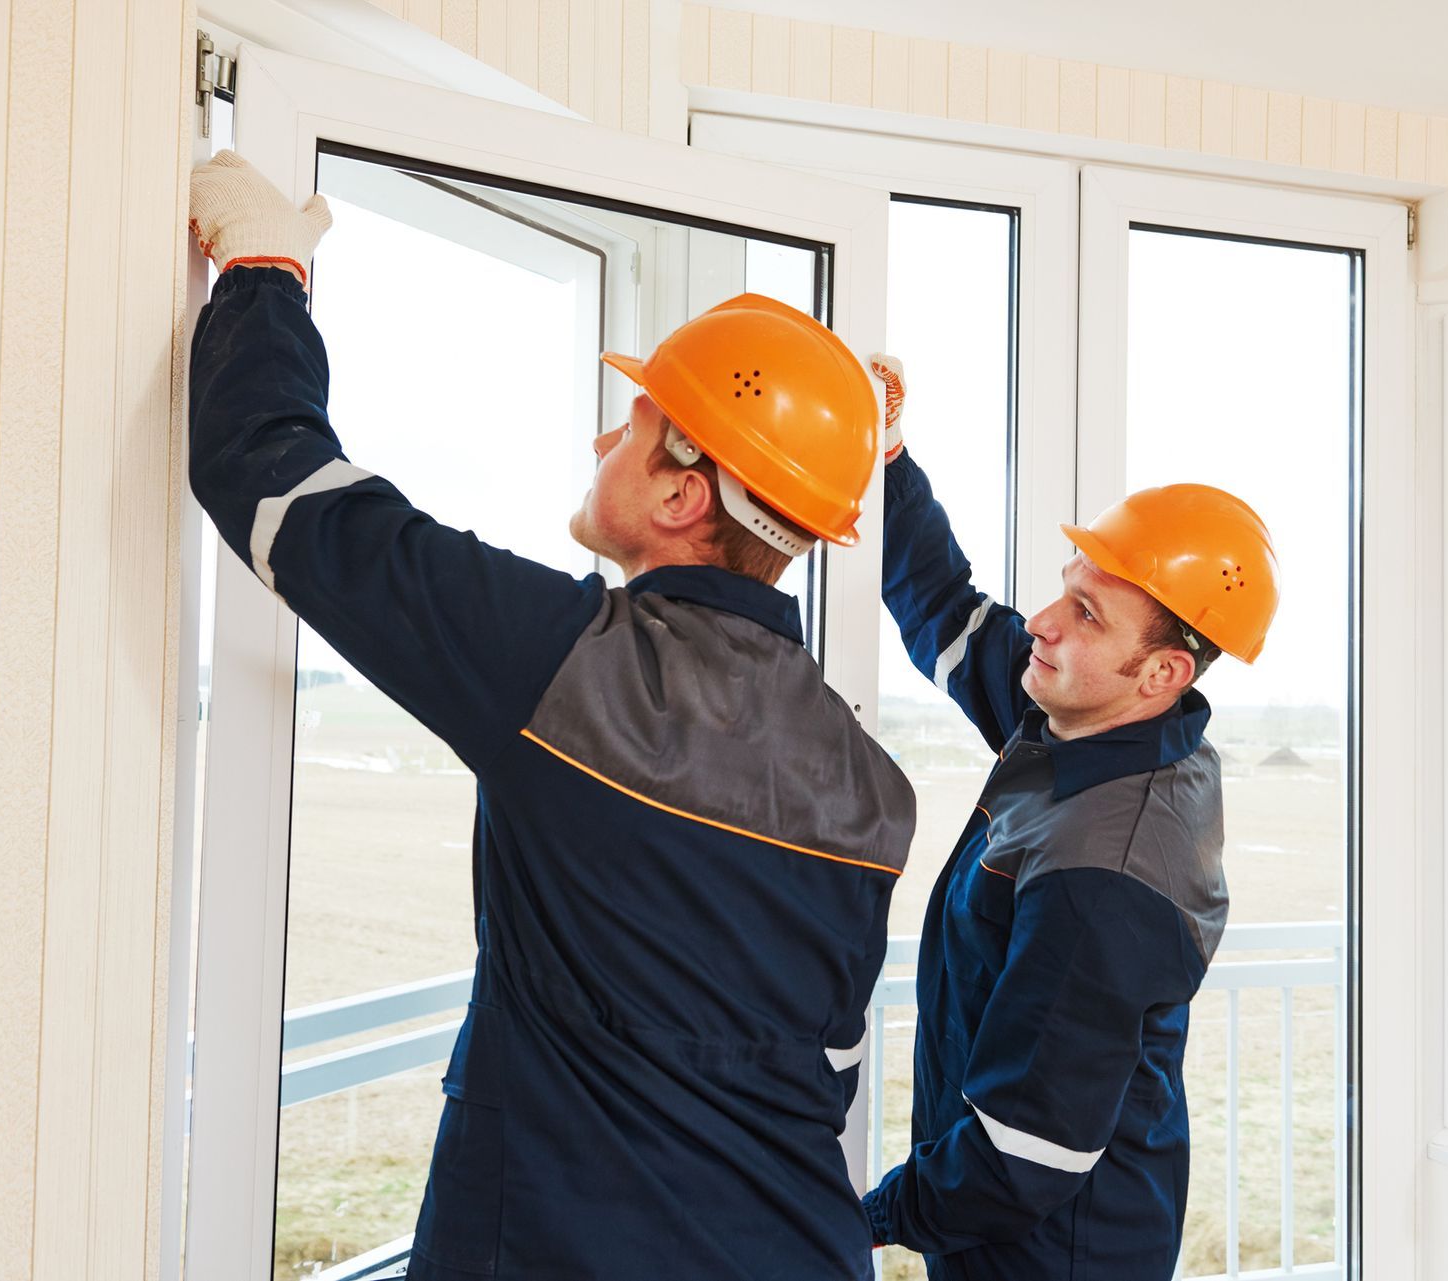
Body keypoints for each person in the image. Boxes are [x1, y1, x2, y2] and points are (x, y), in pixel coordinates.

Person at [187, 150, 914, 1280]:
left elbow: (282, 489)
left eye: (631, 425)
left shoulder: (566, 667)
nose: (600, 443)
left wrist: (264, 270)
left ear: (682, 492)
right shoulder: (874, 786)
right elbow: (824, 1062)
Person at [862, 354, 1279, 1280]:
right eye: (1065, 585)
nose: (1043, 620)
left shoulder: (1111, 870)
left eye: (1085, 611)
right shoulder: (1093, 718)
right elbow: (949, 611)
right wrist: (884, 455)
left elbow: (1024, 1154)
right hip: (1011, 1225)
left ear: (1163, 670)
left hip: (1055, 1253)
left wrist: (865, 1214)